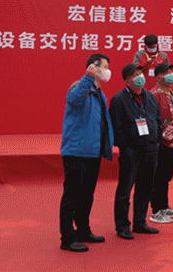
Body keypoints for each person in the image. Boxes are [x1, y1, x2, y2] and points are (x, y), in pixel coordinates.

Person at [59, 53, 115, 252]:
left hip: (93, 151)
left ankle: (83, 230)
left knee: (87, 195)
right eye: (104, 67)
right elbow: (73, 99)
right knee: (72, 195)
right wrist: (87, 77)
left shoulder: (99, 92)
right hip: (77, 151)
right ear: (94, 67)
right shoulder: (80, 86)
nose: (107, 71)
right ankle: (67, 237)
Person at [108, 63, 162, 239]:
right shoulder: (119, 99)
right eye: (135, 75)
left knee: (145, 188)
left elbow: (157, 119)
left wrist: (156, 140)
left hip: (150, 149)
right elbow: (116, 128)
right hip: (131, 152)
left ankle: (140, 222)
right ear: (127, 80)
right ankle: (122, 226)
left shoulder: (150, 96)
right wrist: (126, 148)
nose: (140, 77)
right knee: (125, 190)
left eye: (140, 73)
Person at [149, 62, 173, 224]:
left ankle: (164, 205)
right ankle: (156, 210)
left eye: (170, 71)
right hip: (161, 141)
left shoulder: (170, 92)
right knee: (158, 176)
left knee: (166, 175)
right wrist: (156, 139)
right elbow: (152, 119)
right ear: (158, 77)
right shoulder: (154, 94)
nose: (170, 75)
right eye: (166, 72)